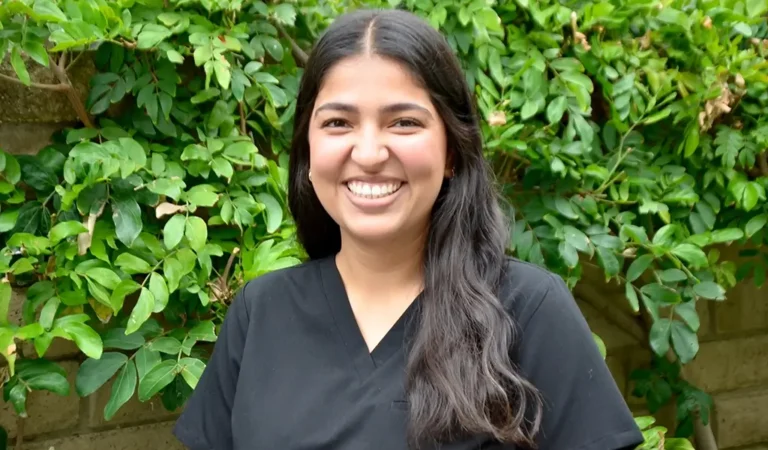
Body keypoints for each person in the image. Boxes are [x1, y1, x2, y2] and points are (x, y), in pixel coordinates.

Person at [172, 8, 644, 450]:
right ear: (308, 148)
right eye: (338, 122)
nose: (370, 152)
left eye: (403, 122)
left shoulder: (529, 311)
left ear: (453, 152)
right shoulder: (260, 314)